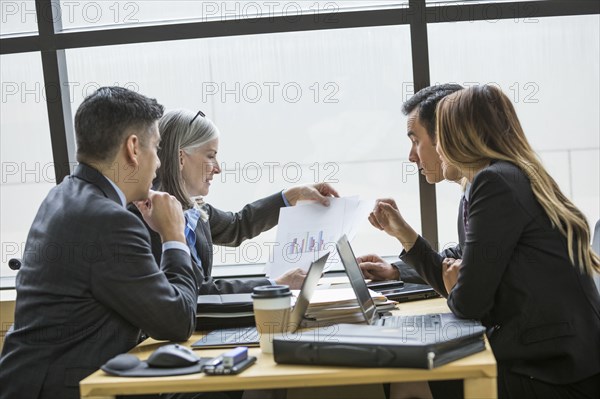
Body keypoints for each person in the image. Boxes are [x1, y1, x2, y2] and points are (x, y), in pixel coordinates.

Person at [382, 85, 600, 398]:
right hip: (555, 362)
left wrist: (458, 284)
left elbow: (468, 303)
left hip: (554, 375)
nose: (438, 148)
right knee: (411, 368)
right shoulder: (503, 177)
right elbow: (467, 260)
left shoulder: (493, 181)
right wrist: (424, 265)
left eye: (440, 136)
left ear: (461, 135)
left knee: (408, 374)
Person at [0, 87, 199, 399]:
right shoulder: (109, 220)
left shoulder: (64, 194)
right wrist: (174, 237)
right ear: (133, 148)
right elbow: (177, 321)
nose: (159, 163)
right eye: (157, 149)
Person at [132, 109, 339, 295]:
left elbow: (238, 225)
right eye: (211, 156)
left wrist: (292, 195)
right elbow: (198, 290)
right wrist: (275, 284)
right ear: (181, 158)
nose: (218, 168)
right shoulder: (148, 217)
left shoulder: (194, 208)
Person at [358, 83, 464, 294]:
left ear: (445, 135)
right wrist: (395, 270)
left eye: (416, 141)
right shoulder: (473, 189)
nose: (411, 156)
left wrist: (459, 294)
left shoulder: (491, 190)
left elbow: (470, 290)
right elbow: (462, 255)